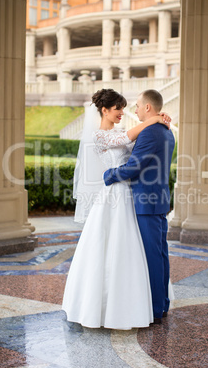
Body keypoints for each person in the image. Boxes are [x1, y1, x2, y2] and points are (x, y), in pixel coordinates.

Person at [62, 88, 171, 330]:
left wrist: (157, 121)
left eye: (124, 107)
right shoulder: (100, 136)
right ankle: (108, 307)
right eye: (118, 108)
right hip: (113, 195)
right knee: (110, 248)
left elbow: (138, 152)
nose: (123, 112)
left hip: (130, 196)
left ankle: (138, 300)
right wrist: (155, 118)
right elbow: (128, 139)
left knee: (134, 250)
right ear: (104, 110)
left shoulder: (123, 132)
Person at [103, 89, 175, 323]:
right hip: (159, 199)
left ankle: (154, 309)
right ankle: (162, 303)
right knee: (161, 254)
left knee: (152, 256)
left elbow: (134, 167)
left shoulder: (150, 133)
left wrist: (110, 174)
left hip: (146, 201)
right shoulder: (166, 130)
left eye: (136, 106)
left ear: (147, 108)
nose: (133, 110)